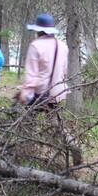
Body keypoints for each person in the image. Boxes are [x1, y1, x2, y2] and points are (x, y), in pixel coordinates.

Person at [18, 14, 81, 168]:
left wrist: (24, 93)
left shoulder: (35, 46)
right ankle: (72, 145)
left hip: (38, 93)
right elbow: (64, 71)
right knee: (56, 123)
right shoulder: (62, 46)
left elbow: (32, 75)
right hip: (57, 92)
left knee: (28, 123)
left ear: (38, 30)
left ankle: (26, 154)